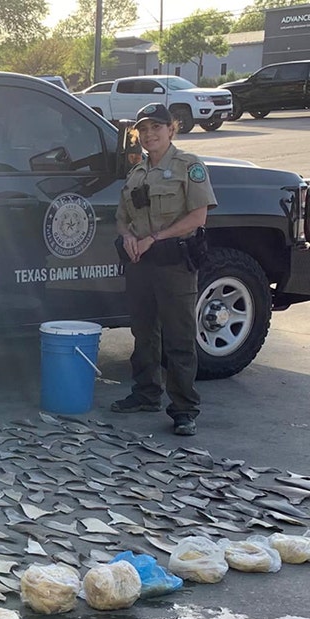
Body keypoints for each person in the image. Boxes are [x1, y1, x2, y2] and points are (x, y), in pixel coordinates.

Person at [111, 103, 216, 436]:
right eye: (143, 129)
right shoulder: (137, 172)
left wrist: (156, 238)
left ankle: (184, 408)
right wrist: (127, 235)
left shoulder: (189, 166)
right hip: (141, 264)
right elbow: (121, 217)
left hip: (174, 263)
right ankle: (145, 394)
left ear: (173, 128)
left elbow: (197, 217)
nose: (149, 134)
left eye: (156, 127)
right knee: (143, 334)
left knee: (179, 339)